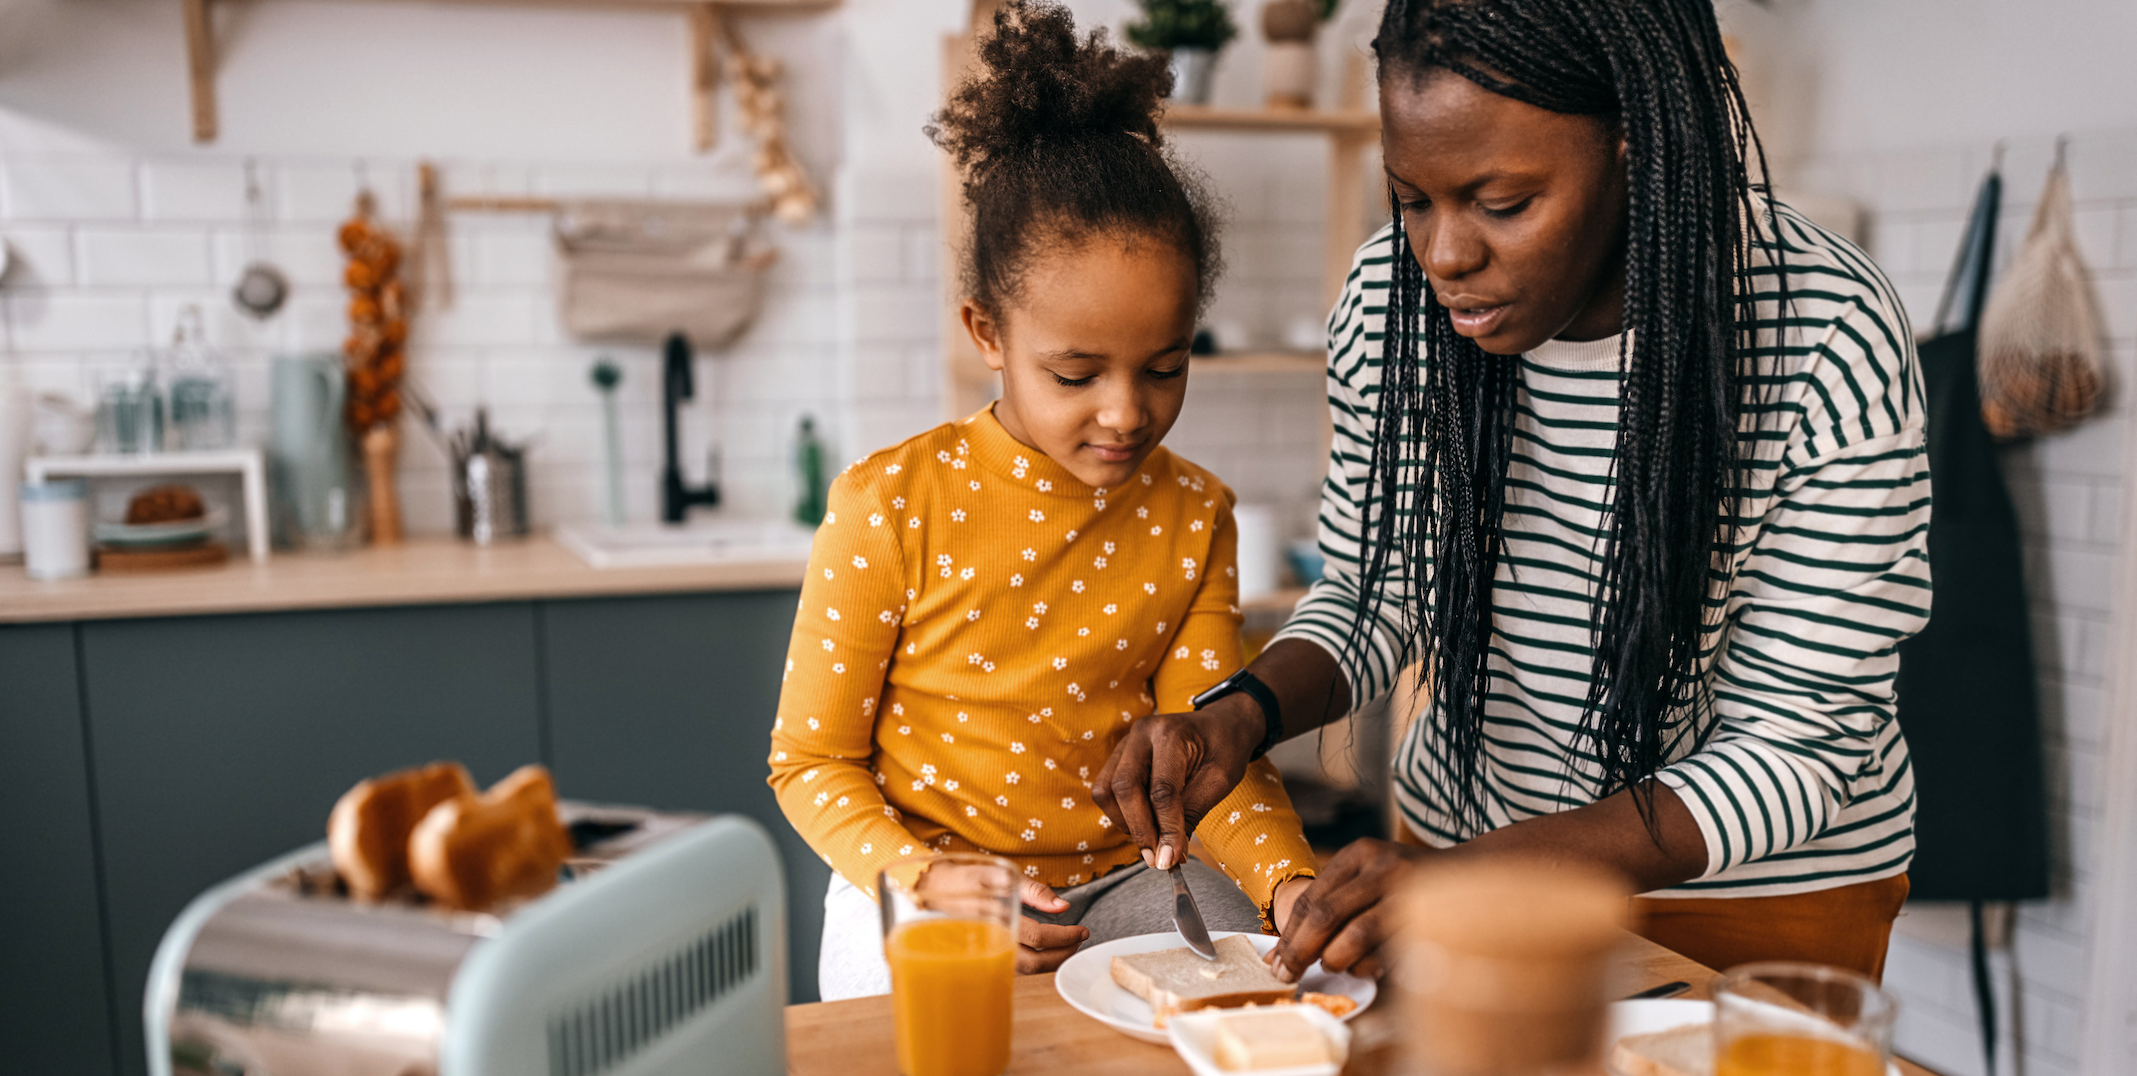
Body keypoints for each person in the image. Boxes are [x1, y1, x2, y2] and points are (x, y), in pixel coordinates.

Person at [1096, 0, 1929, 983]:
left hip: (1750, 910)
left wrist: (1467, 877)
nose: (1445, 254)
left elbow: (1794, 747)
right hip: (1460, 864)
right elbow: (1371, 590)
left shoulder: (1823, 333)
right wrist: (1236, 714)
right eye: (1411, 199)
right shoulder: (1391, 304)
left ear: (1633, 148)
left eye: (1501, 202)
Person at [770, 2, 1317, 1001]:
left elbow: (1204, 757)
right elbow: (810, 763)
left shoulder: (1196, 513)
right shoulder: (886, 505)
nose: (1126, 412)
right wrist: (927, 880)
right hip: (925, 878)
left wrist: (1291, 885)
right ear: (988, 332)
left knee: (1261, 993)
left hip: (1127, 876)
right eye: (1075, 374)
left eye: (1163, 365)